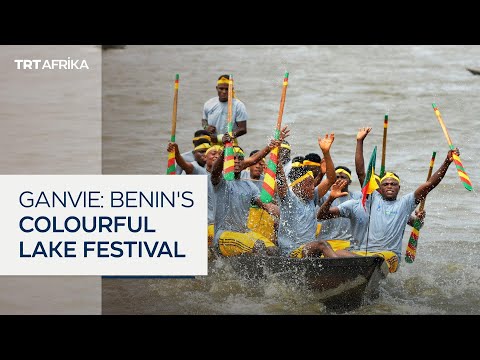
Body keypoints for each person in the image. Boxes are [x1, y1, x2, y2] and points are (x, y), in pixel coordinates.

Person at [317, 148, 459, 272]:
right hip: (366, 255)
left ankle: (360, 274)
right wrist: (360, 141)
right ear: (380, 187)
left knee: (375, 260)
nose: (390, 186)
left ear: (399, 188)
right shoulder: (374, 199)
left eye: (393, 184)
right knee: (340, 253)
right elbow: (361, 173)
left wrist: (447, 162)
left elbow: (429, 184)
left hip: (388, 256)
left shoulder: (405, 203)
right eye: (385, 184)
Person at [211, 128, 289, 257]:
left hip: (244, 233)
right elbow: (214, 172)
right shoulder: (221, 181)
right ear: (226, 160)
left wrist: (285, 214)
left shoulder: (249, 186)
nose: (236, 161)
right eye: (233, 158)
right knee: (258, 246)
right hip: (223, 235)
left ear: (244, 163)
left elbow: (265, 205)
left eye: (239, 159)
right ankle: (258, 277)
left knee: (274, 250)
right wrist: (225, 150)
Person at [275, 133, 351, 258]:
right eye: (309, 184)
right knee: (322, 244)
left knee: (343, 253)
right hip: (292, 253)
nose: (313, 187)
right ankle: (337, 268)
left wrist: (326, 153)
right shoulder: (288, 198)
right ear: (297, 186)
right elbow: (280, 177)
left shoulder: (312, 198)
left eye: (313, 184)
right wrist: (277, 153)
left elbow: (331, 179)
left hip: (310, 251)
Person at [316, 166, 362, 251]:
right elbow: (312, 193)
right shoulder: (325, 194)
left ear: (350, 182)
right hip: (327, 241)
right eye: (337, 177)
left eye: (343, 177)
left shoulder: (357, 196)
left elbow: (366, 184)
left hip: (347, 242)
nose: (339, 179)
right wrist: (321, 174)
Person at [202, 74, 248, 145]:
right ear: (217, 88)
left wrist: (225, 137)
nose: (224, 92)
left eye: (227, 89)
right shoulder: (208, 103)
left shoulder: (238, 105)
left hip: (229, 143)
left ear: (232, 89)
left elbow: (243, 129)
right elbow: (204, 121)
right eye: (221, 88)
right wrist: (206, 127)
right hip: (211, 142)